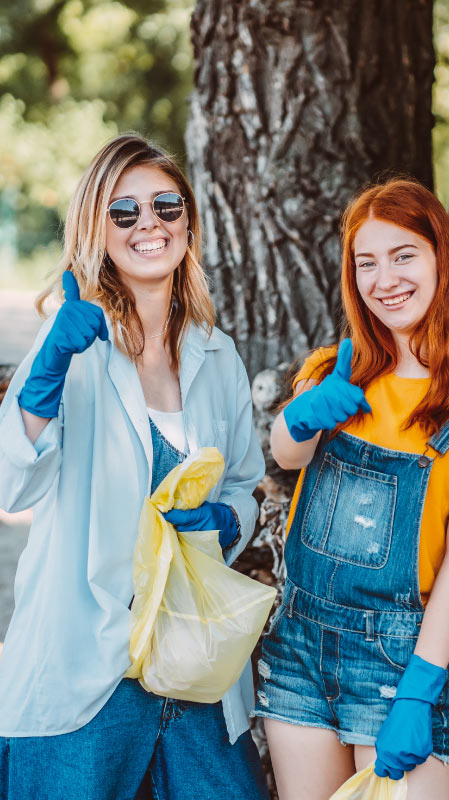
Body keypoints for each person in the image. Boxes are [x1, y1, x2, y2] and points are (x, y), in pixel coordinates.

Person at [0, 134, 270, 799]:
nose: (148, 223)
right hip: (85, 667)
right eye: (123, 211)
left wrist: (226, 519)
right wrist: (45, 380)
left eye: (165, 205)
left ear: (187, 222)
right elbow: (12, 482)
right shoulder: (72, 340)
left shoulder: (219, 355)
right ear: (98, 228)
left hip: (189, 667)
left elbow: (245, 485)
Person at [254, 177, 449, 799]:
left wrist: (420, 689)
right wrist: (301, 416)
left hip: (401, 658)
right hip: (297, 642)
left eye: (404, 255)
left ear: (442, 260)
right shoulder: (335, 368)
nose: (386, 280)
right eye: (366, 263)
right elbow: (285, 455)